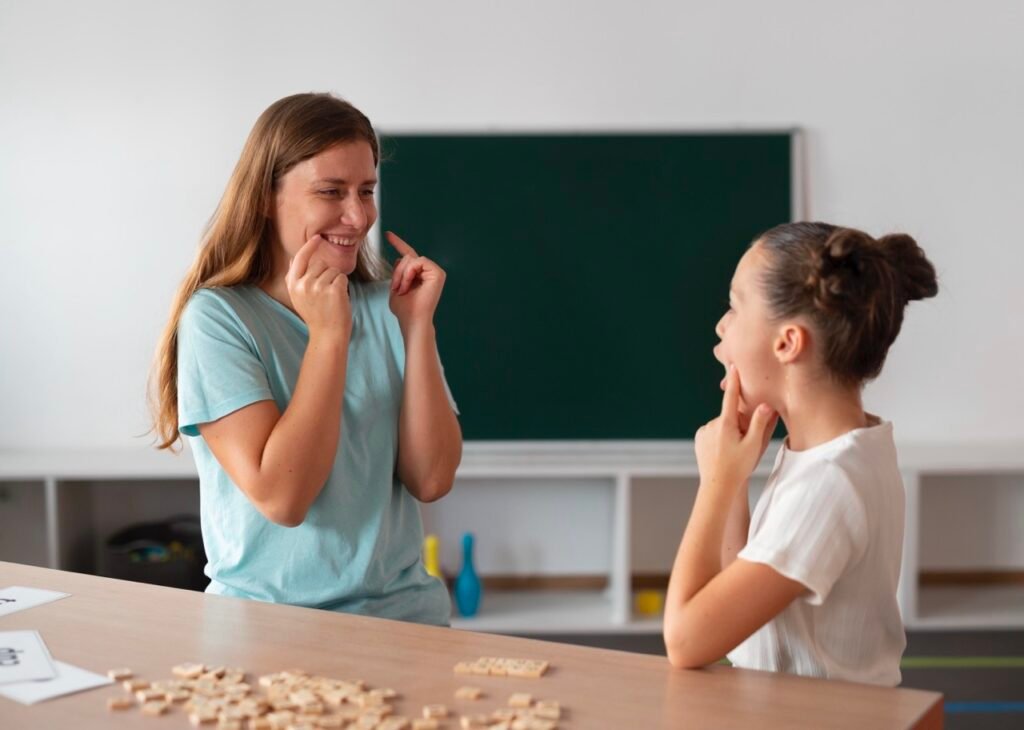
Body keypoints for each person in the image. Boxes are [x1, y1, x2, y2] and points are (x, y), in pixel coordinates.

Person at [150, 92, 461, 625]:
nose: (358, 214)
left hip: (406, 623)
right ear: (267, 196)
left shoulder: (388, 305)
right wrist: (328, 337)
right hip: (271, 626)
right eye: (330, 191)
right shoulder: (217, 319)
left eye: (366, 190)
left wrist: (416, 330)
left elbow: (431, 480)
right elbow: (283, 499)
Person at [664, 222, 938, 685]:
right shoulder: (833, 455)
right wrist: (732, 484)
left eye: (734, 307)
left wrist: (716, 482)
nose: (721, 325)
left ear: (787, 343)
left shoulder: (830, 483)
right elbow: (737, 615)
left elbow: (687, 641)